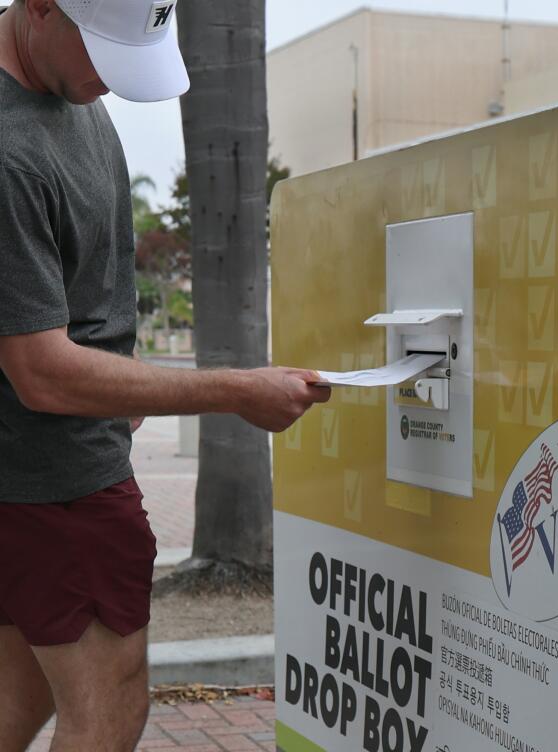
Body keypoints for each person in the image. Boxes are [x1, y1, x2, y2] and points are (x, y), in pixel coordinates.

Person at [0, 0, 329, 749]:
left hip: (33, 481)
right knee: (110, 707)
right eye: (103, 56)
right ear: (42, 9)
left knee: (17, 697)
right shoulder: (8, 149)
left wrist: (121, 382)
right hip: (57, 482)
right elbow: (43, 374)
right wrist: (234, 390)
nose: (110, 83)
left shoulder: (68, 89)